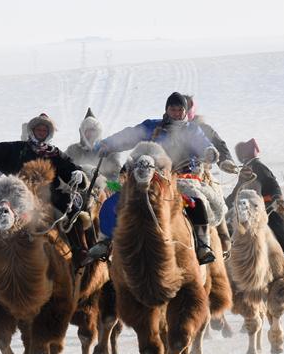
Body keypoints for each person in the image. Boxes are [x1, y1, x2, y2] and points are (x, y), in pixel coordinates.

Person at [94, 92, 219, 264]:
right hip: (149, 177)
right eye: (172, 109)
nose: (176, 113)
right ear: (167, 110)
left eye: (179, 109)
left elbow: (202, 143)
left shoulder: (191, 130)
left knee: (196, 201)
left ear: (185, 111)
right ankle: (104, 241)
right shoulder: (152, 126)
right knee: (115, 201)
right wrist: (107, 144)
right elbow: (129, 135)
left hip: (179, 178)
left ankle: (203, 245)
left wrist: (209, 151)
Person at [0, 112, 90, 263]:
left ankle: (79, 250)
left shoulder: (55, 154)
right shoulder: (17, 148)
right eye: (38, 130)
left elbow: (69, 168)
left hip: (48, 197)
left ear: (49, 133)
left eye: (44, 130)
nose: (41, 133)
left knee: (72, 212)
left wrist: (77, 174)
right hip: (18, 196)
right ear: (32, 131)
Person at [226, 139, 284, 253]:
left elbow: (274, 187)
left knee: (277, 232)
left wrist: (273, 198)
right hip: (250, 207)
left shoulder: (257, 166)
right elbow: (239, 189)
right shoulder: (249, 167)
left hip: (265, 208)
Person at [185, 95, 239, 173]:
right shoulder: (165, 127)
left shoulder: (204, 129)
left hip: (199, 172)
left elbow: (219, 144)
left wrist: (225, 160)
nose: (178, 112)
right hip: (169, 173)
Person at [64, 108, 122, 180]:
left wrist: (107, 187)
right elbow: (62, 168)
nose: (90, 134)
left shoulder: (108, 151)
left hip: (103, 189)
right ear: (82, 133)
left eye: (93, 130)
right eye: (87, 130)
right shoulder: (73, 151)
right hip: (76, 188)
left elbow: (118, 176)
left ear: (98, 132)